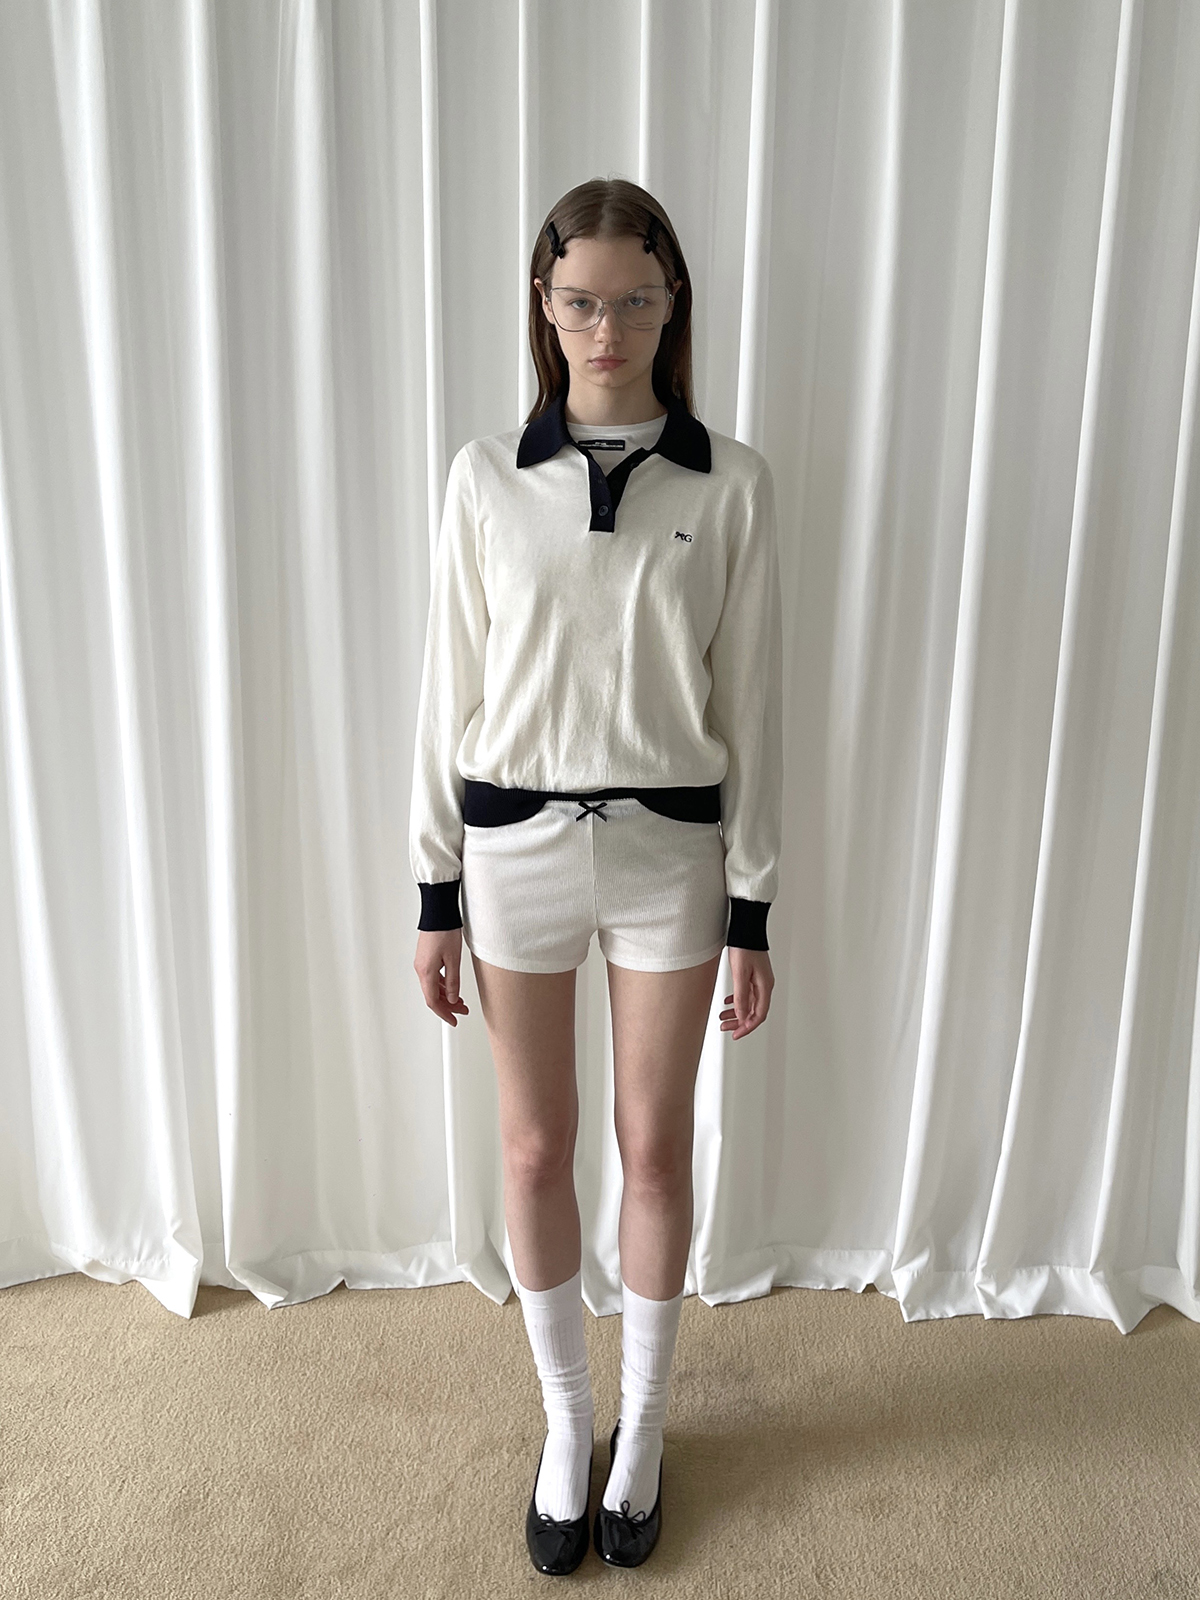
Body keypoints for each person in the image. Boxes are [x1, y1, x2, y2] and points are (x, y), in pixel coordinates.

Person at [410, 177, 783, 1574]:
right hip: (514, 854)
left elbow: (755, 708)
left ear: (671, 302)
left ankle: (644, 1428)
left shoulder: (730, 483)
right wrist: (434, 888)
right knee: (531, 1148)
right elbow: (445, 695)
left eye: (634, 300)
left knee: (654, 1145)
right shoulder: (484, 478)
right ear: (544, 306)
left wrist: (754, 904)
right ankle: (567, 1422)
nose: (606, 329)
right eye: (580, 303)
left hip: (667, 860)